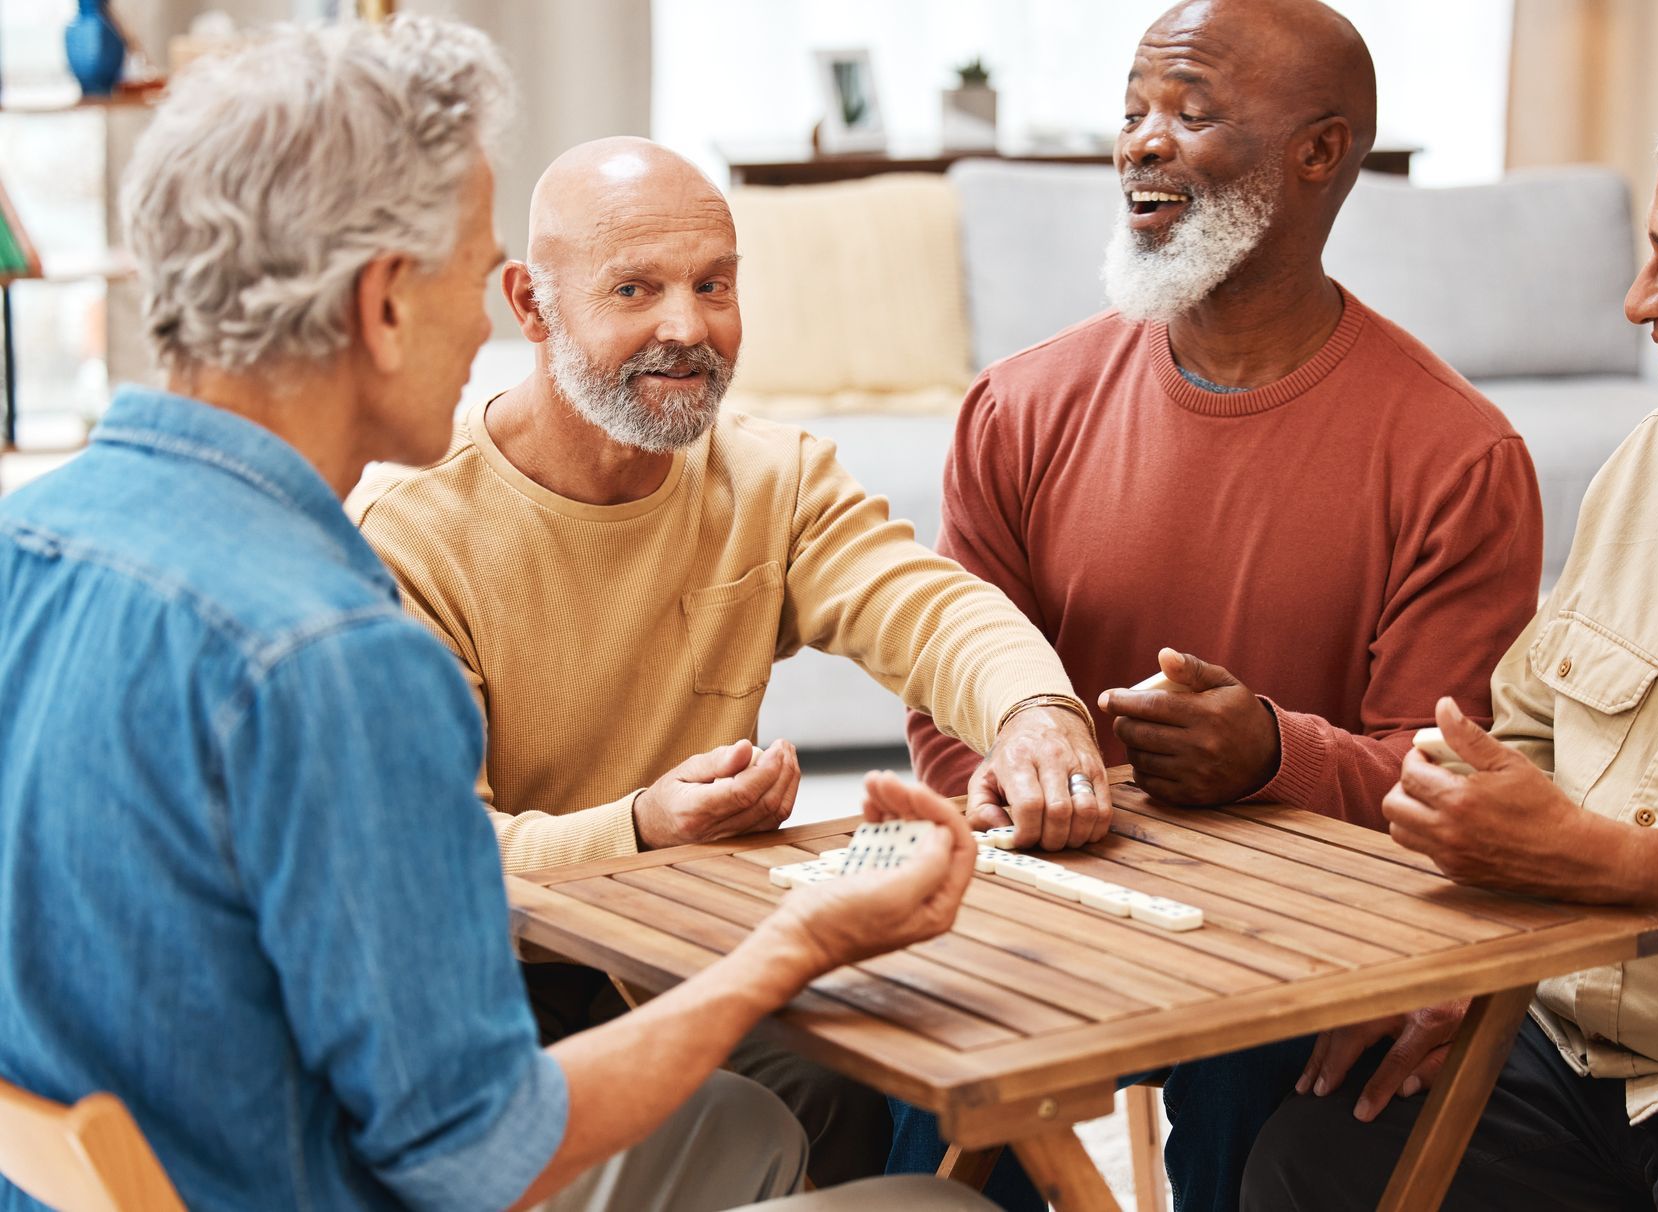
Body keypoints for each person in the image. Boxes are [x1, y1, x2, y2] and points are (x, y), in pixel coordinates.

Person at [0, 19, 993, 1212]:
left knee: (762, 1117)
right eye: (472, 276)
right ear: (381, 306)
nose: (487, 327)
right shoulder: (337, 651)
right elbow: (482, 1151)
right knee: (943, 1206)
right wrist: (803, 941)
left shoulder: (28, 540)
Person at [346, 135, 1111, 1185]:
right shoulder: (408, 532)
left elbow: (926, 606)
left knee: (941, 1057)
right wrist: (638, 828)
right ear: (531, 306)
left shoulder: (769, 475)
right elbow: (440, 863)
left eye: (714, 284)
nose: (688, 327)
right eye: (635, 288)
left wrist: (1035, 710)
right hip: (487, 1009)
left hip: (683, 961)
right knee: (800, 1099)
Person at [893, 1, 1543, 1207]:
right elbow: (947, 687)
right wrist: (993, 772)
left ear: (1320, 153)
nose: (1141, 142)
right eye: (1134, 111)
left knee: (1284, 1069)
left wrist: (1271, 755)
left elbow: (1445, 781)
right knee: (917, 1025)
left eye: (1191, 114)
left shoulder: (1459, 455)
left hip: (1292, 944)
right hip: (1051, 890)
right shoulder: (1018, 406)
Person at [1243, 74, 1658, 1210]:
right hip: (1561, 1029)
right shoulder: (1650, 464)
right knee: (1312, 1164)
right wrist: (1469, 965)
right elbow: (1526, 738)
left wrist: (1615, 864)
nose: (1636, 301)